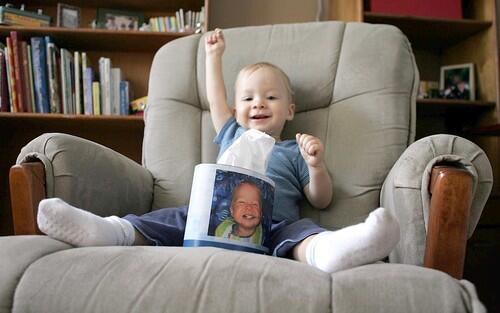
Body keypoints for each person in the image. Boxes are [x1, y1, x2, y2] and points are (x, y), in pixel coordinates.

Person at [36, 29, 400, 273]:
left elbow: (321, 200)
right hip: (205, 218)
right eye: (248, 98)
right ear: (236, 108)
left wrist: (315, 164)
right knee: (169, 218)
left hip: (269, 224)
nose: (258, 104)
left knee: (299, 232)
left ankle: (330, 251)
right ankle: (110, 232)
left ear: (290, 110)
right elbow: (214, 100)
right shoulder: (232, 133)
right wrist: (214, 57)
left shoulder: (291, 150)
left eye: (271, 97)